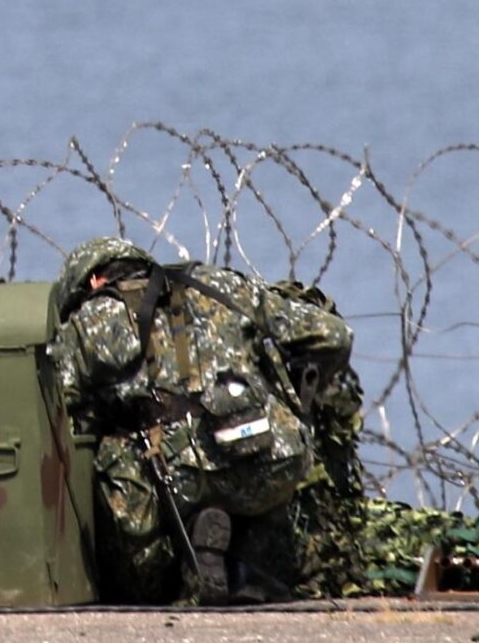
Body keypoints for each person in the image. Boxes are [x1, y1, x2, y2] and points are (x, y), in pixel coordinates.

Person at [52, 236, 353, 604]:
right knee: (263, 482)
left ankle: (190, 571)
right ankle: (245, 562)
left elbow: (59, 406)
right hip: (268, 461)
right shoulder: (223, 286)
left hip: (176, 481)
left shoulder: (92, 320)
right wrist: (295, 400)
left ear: (95, 280)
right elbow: (333, 336)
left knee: (138, 577)